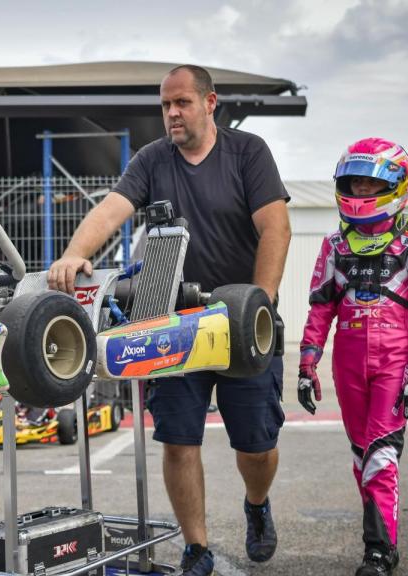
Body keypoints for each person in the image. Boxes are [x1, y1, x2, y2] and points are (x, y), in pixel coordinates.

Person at [48, 64, 291, 573]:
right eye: (165, 105)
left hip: (243, 324)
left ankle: (256, 504)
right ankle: (197, 546)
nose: (172, 114)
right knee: (179, 440)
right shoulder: (153, 160)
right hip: (175, 325)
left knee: (256, 445)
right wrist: (74, 253)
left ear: (210, 103)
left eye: (181, 103)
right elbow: (111, 209)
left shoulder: (249, 153)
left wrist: (259, 305)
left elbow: (276, 229)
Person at [298, 138, 408, 575]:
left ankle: (379, 552)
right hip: (347, 364)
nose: (360, 194)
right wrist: (307, 366)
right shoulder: (334, 246)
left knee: (382, 455)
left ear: (398, 186)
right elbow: (320, 308)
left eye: (370, 185)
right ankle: (382, 541)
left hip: (394, 363)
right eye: (354, 184)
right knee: (363, 456)